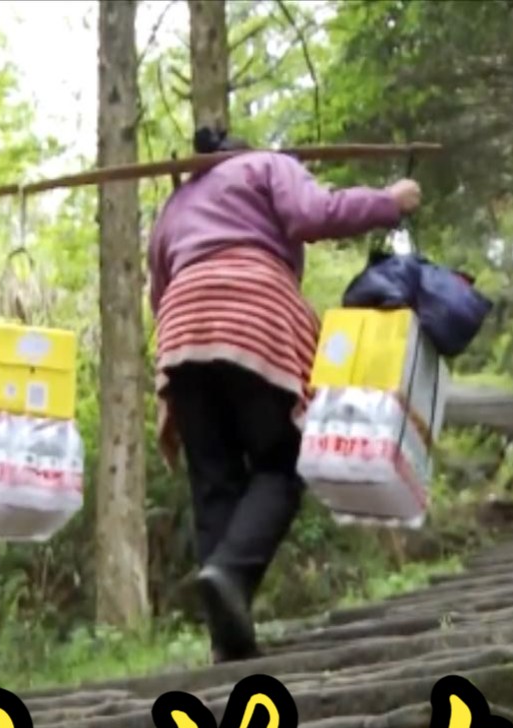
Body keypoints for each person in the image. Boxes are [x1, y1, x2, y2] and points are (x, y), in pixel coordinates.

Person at [148, 127, 422, 663]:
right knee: (283, 462)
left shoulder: (176, 202)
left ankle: (227, 636)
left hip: (182, 330)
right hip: (255, 313)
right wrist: (388, 202)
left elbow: (158, 286)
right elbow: (311, 215)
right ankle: (230, 575)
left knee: (214, 480)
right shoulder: (267, 166)